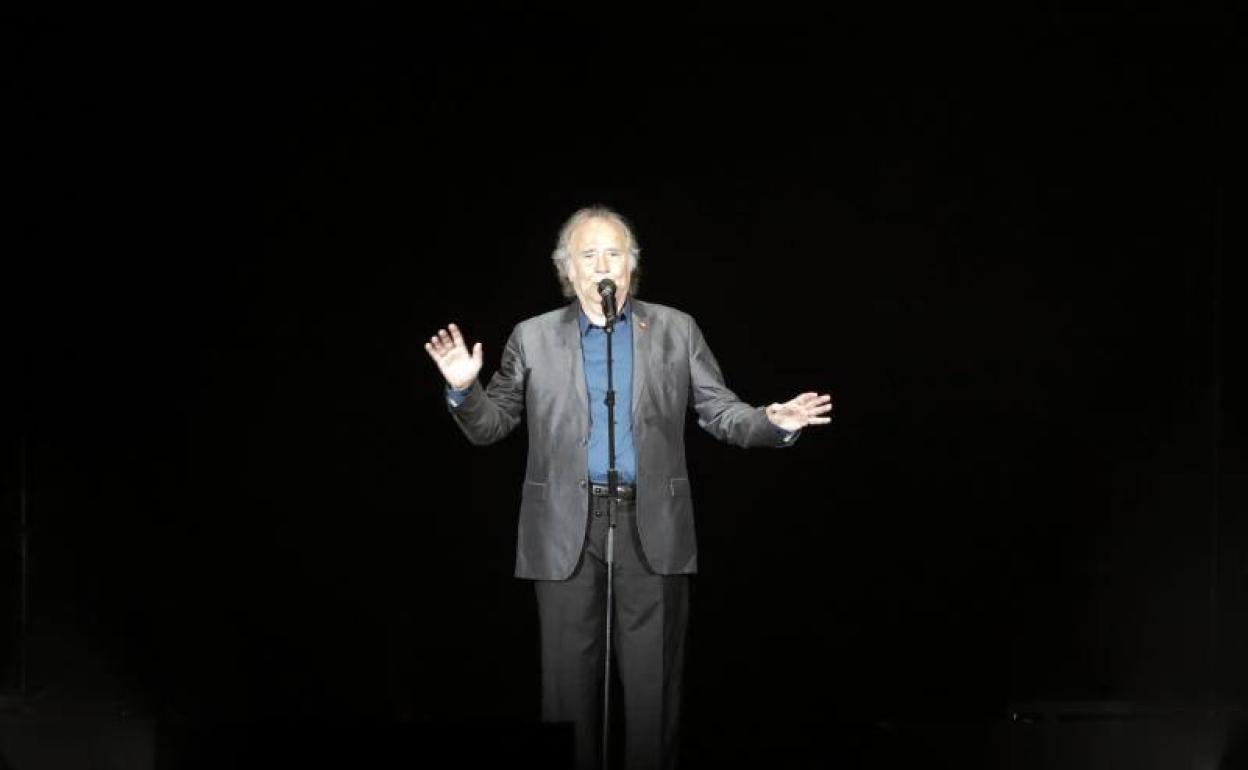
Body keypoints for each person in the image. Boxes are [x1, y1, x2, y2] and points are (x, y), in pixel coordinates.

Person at [424, 206, 832, 770]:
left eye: (612, 253)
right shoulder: (532, 337)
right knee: (566, 695)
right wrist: (464, 392)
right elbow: (492, 425)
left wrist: (771, 421)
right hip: (564, 531)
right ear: (567, 269)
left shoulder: (675, 328)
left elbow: (719, 412)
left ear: (632, 265)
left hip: (653, 528)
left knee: (651, 694)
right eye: (587, 256)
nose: (600, 265)